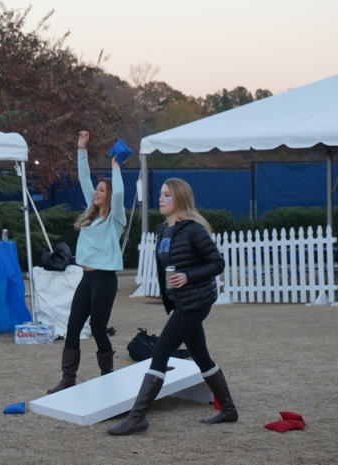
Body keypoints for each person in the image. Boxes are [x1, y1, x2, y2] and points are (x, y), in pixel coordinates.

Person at [107, 178, 233, 435]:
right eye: (161, 194)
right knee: (200, 356)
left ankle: (138, 416)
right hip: (181, 301)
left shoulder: (194, 229)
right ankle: (229, 410)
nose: (161, 199)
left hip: (196, 301)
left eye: (167, 195)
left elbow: (217, 263)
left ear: (180, 199)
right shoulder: (163, 230)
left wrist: (188, 276)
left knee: (161, 352)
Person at [47, 130, 126, 394]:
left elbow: (118, 196)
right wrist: (81, 148)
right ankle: (68, 378)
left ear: (109, 194)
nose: (96, 193)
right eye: (97, 190)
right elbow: (83, 178)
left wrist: (115, 168)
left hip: (105, 279)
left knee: (98, 329)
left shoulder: (115, 218)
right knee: (73, 326)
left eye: (101, 190)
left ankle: (107, 373)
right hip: (87, 278)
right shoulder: (89, 215)